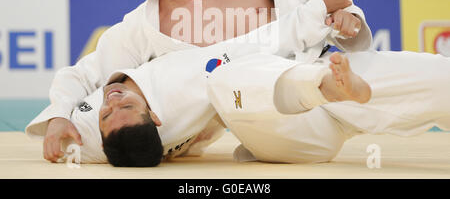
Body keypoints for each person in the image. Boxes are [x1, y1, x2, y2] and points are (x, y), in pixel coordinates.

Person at [37, 0, 367, 163]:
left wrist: (346, 14)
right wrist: (58, 116)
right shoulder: (142, 26)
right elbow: (82, 74)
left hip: (322, 68)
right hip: (268, 121)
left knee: (408, 80)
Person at [26, 29, 450, 166]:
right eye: (120, 109)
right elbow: (95, 146)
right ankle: (319, 86)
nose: (112, 101)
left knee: (439, 78)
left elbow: (73, 76)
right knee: (222, 77)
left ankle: (326, 85)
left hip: (323, 70)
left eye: (109, 108)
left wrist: (60, 114)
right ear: (154, 117)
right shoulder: (112, 133)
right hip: (286, 124)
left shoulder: (112, 70)